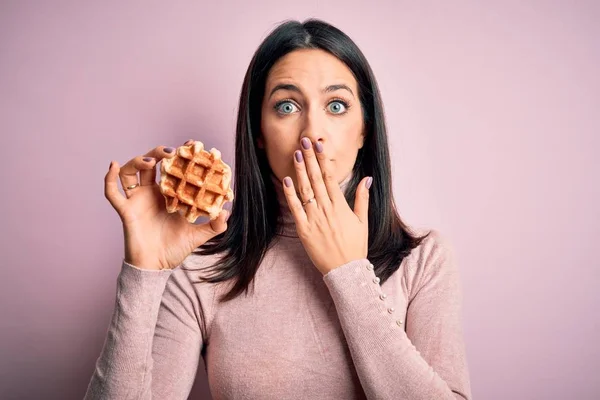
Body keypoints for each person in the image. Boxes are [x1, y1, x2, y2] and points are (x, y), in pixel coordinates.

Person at [84, 19, 472, 400]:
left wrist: (350, 274)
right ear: (258, 134)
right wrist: (144, 272)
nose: (312, 132)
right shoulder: (201, 269)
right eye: (286, 106)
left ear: (364, 131)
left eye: (336, 105)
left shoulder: (423, 259)